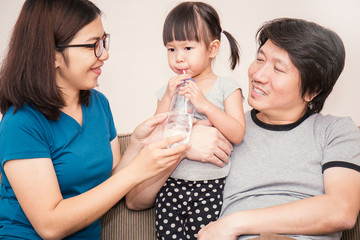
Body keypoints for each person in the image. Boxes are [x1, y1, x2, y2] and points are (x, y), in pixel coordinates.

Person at [127, 17, 360, 240]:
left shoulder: (335, 131)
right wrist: (181, 145)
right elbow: (136, 201)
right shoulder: (224, 125)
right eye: (260, 59)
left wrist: (233, 223)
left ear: (313, 90)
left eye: (278, 69)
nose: (258, 75)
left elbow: (341, 210)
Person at [0, 0, 191, 239]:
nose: (105, 54)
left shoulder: (98, 104)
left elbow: (109, 185)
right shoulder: (21, 123)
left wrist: (136, 145)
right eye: (93, 45)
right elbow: (50, 225)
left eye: (103, 41)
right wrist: (136, 171)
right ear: (52, 55)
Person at [154, 2, 246, 239]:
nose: (178, 58)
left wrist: (204, 104)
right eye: (171, 49)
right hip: (172, 182)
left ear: (212, 48)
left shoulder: (227, 86)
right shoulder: (169, 88)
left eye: (187, 48)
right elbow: (155, 132)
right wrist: (167, 96)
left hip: (212, 185)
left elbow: (237, 132)